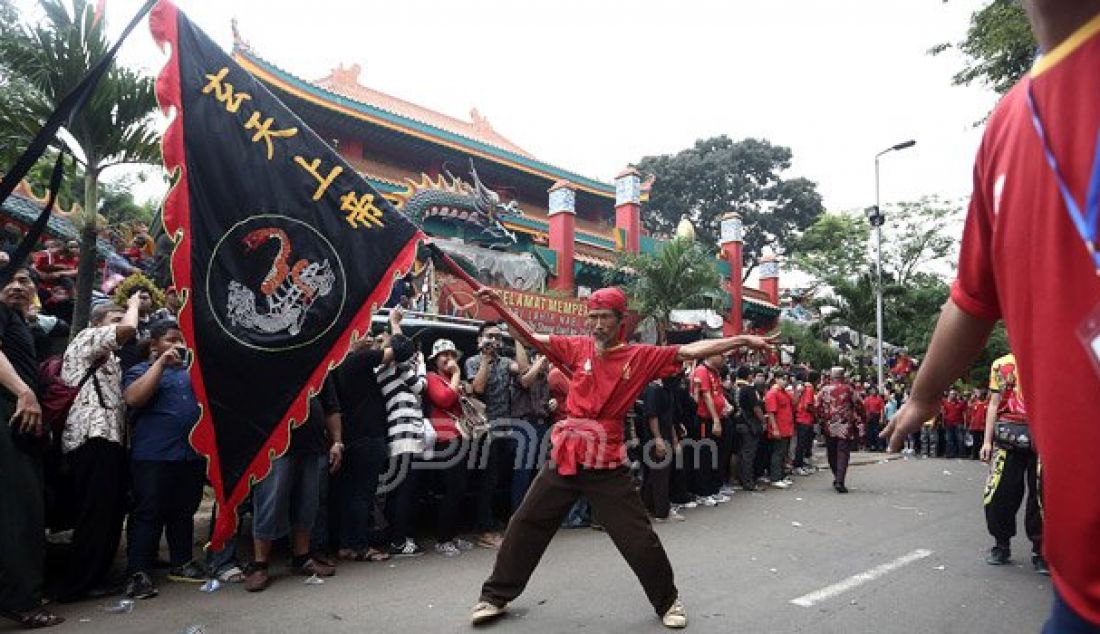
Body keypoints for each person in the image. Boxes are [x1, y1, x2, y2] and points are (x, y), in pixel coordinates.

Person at [881, 2, 1100, 627]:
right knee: (1012, 497)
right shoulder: (1008, 122)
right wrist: (921, 398)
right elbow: (972, 298)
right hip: (1081, 581)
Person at [468, 286, 774, 629]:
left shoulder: (640, 356)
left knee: (637, 536)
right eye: (592, 317)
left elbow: (690, 350)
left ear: (620, 321)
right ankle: (494, 596)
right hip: (567, 453)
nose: (597, 325)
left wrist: (742, 340)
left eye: (604, 318)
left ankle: (668, 601)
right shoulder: (576, 347)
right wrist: (498, 306)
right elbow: (527, 334)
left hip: (606, 461)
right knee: (526, 522)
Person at [51, 295, 143, 602]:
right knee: (95, 512)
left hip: (109, 439)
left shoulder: (112, 359)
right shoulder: (86, 338)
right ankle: (77, 584)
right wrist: (132, 305)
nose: (121, 324)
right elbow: (129, 331)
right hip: (92, 436)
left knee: (109, 510)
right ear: (96, 324)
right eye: (112, 320)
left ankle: (96, 576)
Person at [121, 319, 206, 599]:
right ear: (154, 344)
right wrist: (160, 364)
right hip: (154, 455)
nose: (178, 345)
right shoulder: (140, 370)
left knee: (184, 511)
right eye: (171, 339)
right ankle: (139, 572)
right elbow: (134, 399)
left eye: (182, 339)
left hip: (190, 453)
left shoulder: (192, 373)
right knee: (149, 513)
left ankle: (181, 562)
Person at [0, 268, 64, 628]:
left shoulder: (19, 321)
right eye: (7, 280)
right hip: (11, 414)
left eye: (24, 281)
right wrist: (23, 392)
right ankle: (22, 601)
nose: (15, 286)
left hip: (21, 421)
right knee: (21, 513)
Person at [243, 379, 342, 592]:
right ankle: (259, 564)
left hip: (313, 445)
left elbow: (331, 407)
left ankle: (302, 558)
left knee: (308, 504)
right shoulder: (271, 357)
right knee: (270, 503)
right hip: (275, 447)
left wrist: (337, 442)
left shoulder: (322, 363)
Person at [327, 310, 409, 563]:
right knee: (363, 494)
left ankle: (346, 544)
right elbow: (401, 350)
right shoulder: (357, 359)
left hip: (352, 438)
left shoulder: (341, 367)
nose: (370, 336)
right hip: (367, 438)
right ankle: (360, 546)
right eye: (363, 333)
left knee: (351, 494)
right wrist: (395, 324)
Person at [978, 353, 1045, 574]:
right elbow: (994, 404)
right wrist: (987, 441)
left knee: (1042, 497)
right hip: (1007, 437)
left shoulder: (1051, 358)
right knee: (999, 493)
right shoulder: (1001, 365)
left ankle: (1041, 551)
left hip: (1043, 437)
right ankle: (1001, 544)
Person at [465, 321, 526, 549]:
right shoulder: (473, 361)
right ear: (479, 339)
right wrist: (485, 360)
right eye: (489, 336)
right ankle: (483, 529)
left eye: (498, 338)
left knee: (499, 479)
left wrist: (517, 339)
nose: (494, 341)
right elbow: (478, 388)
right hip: (484, 431)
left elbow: (522, 371)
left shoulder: (505, 362)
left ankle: (490, 520)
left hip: (506, 429)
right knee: (487, 481)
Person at [423, 338, 475, 557]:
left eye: (452, 355)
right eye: (444, 355)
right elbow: (443, 400)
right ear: (435, 360)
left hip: (460, 436)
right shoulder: (432, 378)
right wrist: (455, 376)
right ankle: (443, 539)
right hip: (445, 438)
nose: (449, 359)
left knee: (460, 489)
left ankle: (452, 535)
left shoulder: (453, 379)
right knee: (451, 489)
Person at [641, 376, 684, 522]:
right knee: (660, 476)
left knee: (656, 476)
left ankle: (649, 507)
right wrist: (658, 439)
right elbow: (652, 416)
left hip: (666, 434)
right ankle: (661, 512)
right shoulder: (653, 390)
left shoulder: (667, 389)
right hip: (655, 438)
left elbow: (669, 418)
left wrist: (674, 439)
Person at [689, 352, 730, 505]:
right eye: (722, 356)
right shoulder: (701, 371)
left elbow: (718, 394)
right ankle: (702, 492)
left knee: (715, 455)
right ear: (712, 355)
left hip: (716, 418)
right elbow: (706, 396)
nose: (724, 359)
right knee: (705, 456)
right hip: (705, 420)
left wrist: (725, 407)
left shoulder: (715, 372)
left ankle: (713, 489)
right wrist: (715, 420)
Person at [816, 367, 860, 494]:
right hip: (845, 426)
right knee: (843, 453)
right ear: (843, 377)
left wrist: (821, 418)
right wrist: (861, 418)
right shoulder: (849, 389)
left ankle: (837, 476)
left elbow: (817, 406)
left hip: (829, 426)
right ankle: (840, 480)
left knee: (831, 453)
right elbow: (859, 405)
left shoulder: (824, 390)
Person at [732, 365, 764, 491]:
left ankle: (740, 478)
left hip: (738, 423)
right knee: (748, 454)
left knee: (741, 453)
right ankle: (748, 482)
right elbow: (756, 408)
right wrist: (763, 420)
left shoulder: (735, 388)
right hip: (749, 425)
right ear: (749, 376)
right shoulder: (748, 389)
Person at [763, 373, 795, 488]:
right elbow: (771, 412)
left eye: (786, 379)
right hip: (779, 427)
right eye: (782, 379)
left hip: (786, 427)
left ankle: (781, 476)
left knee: (783, 453)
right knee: (778, 453)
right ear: (776, 379)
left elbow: (794, 403)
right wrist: (775, 428)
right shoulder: (772, 393)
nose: (784, 381)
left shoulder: (784, 392)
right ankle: (775, 478)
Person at [792, 372, 817, 476]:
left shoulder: (802, 387)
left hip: (801, 417)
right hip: (805, 418)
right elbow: (808, 405)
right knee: (802, 444)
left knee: (802, 444)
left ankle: (800, 464)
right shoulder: (809, 388)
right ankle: (798, 466)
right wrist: (815, 412)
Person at [941, 389, 966, 459]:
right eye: (951, 394)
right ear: (949, 395)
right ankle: (950, 454)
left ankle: (961, 454)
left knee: (960, 439)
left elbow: (964, 414)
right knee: (949, 439)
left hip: (959, 423)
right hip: (949, 423)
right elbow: (944, 413)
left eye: (954, 394)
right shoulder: (946, 403)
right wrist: (943, 422)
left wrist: (965, 423)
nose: (953, 395)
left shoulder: (961, 403)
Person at [967, 388, 988, 460]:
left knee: (983, 442)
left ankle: (983, 455)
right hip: (975, 426)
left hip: (983, 426)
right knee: (975, 442)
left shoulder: (987, 404)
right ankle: (974, 455)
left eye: (981, 395)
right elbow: (970, 412)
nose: (979, 396)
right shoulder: (975, 404)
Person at [862, 387, 885, 452]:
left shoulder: (879, 399)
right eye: (872, 390)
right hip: (869, 416)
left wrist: (881, 418)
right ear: (870, 391)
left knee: (877, 431)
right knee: (869, 432)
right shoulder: (867, 399)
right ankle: (871, 446)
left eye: (874, 390)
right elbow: (865, 409)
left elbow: (882, 409)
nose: (873, 391)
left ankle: (879, 446)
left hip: (876, 416)